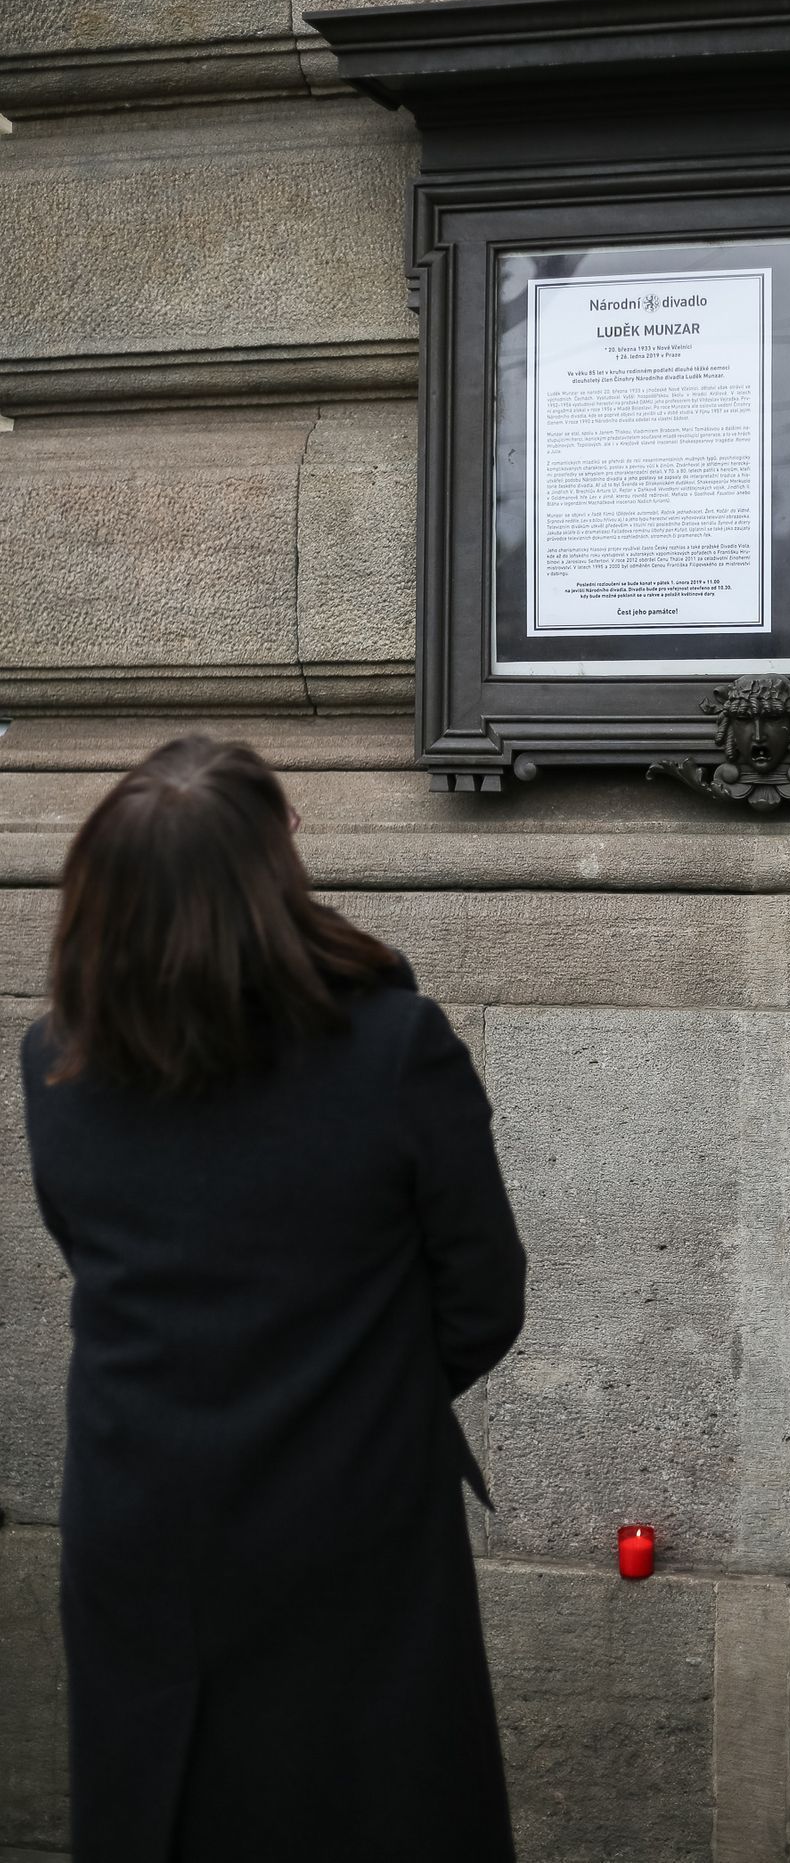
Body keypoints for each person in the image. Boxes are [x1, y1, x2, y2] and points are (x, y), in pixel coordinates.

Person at [20, 735, 527, 1863]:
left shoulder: (53, 1059)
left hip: (136, 1504)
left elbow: (94, 1251)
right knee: (370, 1804)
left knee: (170, 1805)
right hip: (349, 1512)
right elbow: (483, 1292)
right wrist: (357, 1401)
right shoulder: (392, 1048)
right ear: (272, 868)